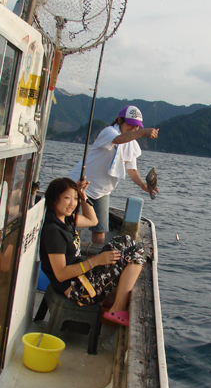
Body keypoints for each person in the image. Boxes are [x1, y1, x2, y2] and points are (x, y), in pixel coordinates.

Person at [40, 177, 147, 327]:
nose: (72, 203)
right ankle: (117, 308)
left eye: (75, 198)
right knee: (137, 252)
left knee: (126, 241)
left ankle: (114, 297)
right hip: (78, 289)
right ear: (53, 199)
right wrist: (95, 262)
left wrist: (83, 198)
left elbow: (93, 221)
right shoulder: (54, 232)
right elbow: (61, 274)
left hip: (81, 275)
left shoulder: (66, 219)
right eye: (66, 198)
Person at [70, 105, 159, 244]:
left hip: (102, 191)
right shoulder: (109, 132)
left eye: (137, 126)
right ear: (120, 120)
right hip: (80, 185)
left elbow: (132, 170)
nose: (134, 129)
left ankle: (96, 262)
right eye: (131, 124)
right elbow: (118, 139)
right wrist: (143, 132)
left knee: (100, 230)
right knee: (76, 227)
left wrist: (143, 185)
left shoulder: (131, 144)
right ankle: (71, 258)